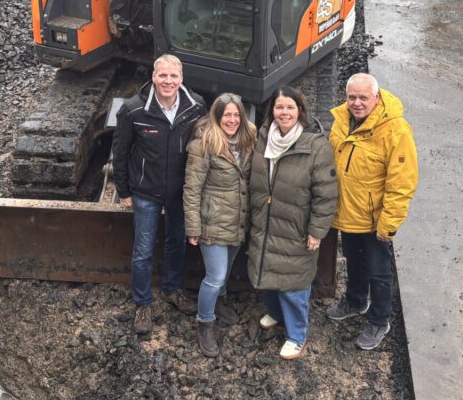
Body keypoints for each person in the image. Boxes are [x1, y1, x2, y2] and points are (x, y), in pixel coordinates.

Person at [112, 54, 206, 335]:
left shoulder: (196, 106)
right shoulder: (134, 110)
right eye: (162, 76)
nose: (168, 81)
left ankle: (172, 289)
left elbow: (204, 146)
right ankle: (142, 303)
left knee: (177, 242)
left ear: (181, 79)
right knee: (142, 250)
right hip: (146, 192)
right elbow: (121, 151)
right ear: (153, 77)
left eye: (173, 76)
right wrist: (124, 190)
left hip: (180, 191)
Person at [326, 73, 418, 351]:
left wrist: (388, 224)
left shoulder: (396, 130)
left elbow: (402, 181)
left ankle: (379, 320)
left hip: (374, 217)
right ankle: (355, 301)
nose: (356, 103)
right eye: (352, 97)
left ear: (376, 98)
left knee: (379, 272)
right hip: (347, 211)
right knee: (353, 260)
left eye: (363, 97)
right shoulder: (342, 119)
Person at [247, 86, 337, 360]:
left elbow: (326, 192)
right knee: (268, 273)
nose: (284, 112)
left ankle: (297, 336)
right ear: (271, 110)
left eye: (289, 107)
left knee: (294, 285)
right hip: (266, 221)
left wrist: (317, 231)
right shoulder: (263, 138)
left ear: (300, 111)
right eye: (279, 107)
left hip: (295, 226)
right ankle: (274, 314)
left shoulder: (316, 145)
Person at [183, 93, 257, 357]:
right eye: (227, 115)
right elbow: (192, 189)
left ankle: (220, 302)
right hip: (213, 222)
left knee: (224, 274)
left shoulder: (249, 140)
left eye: (237, 115)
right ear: (217, 116)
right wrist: (193, 227)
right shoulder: (204, 144)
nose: (232, 120)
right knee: (214, 277)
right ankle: (205, 322)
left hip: (237, 221)